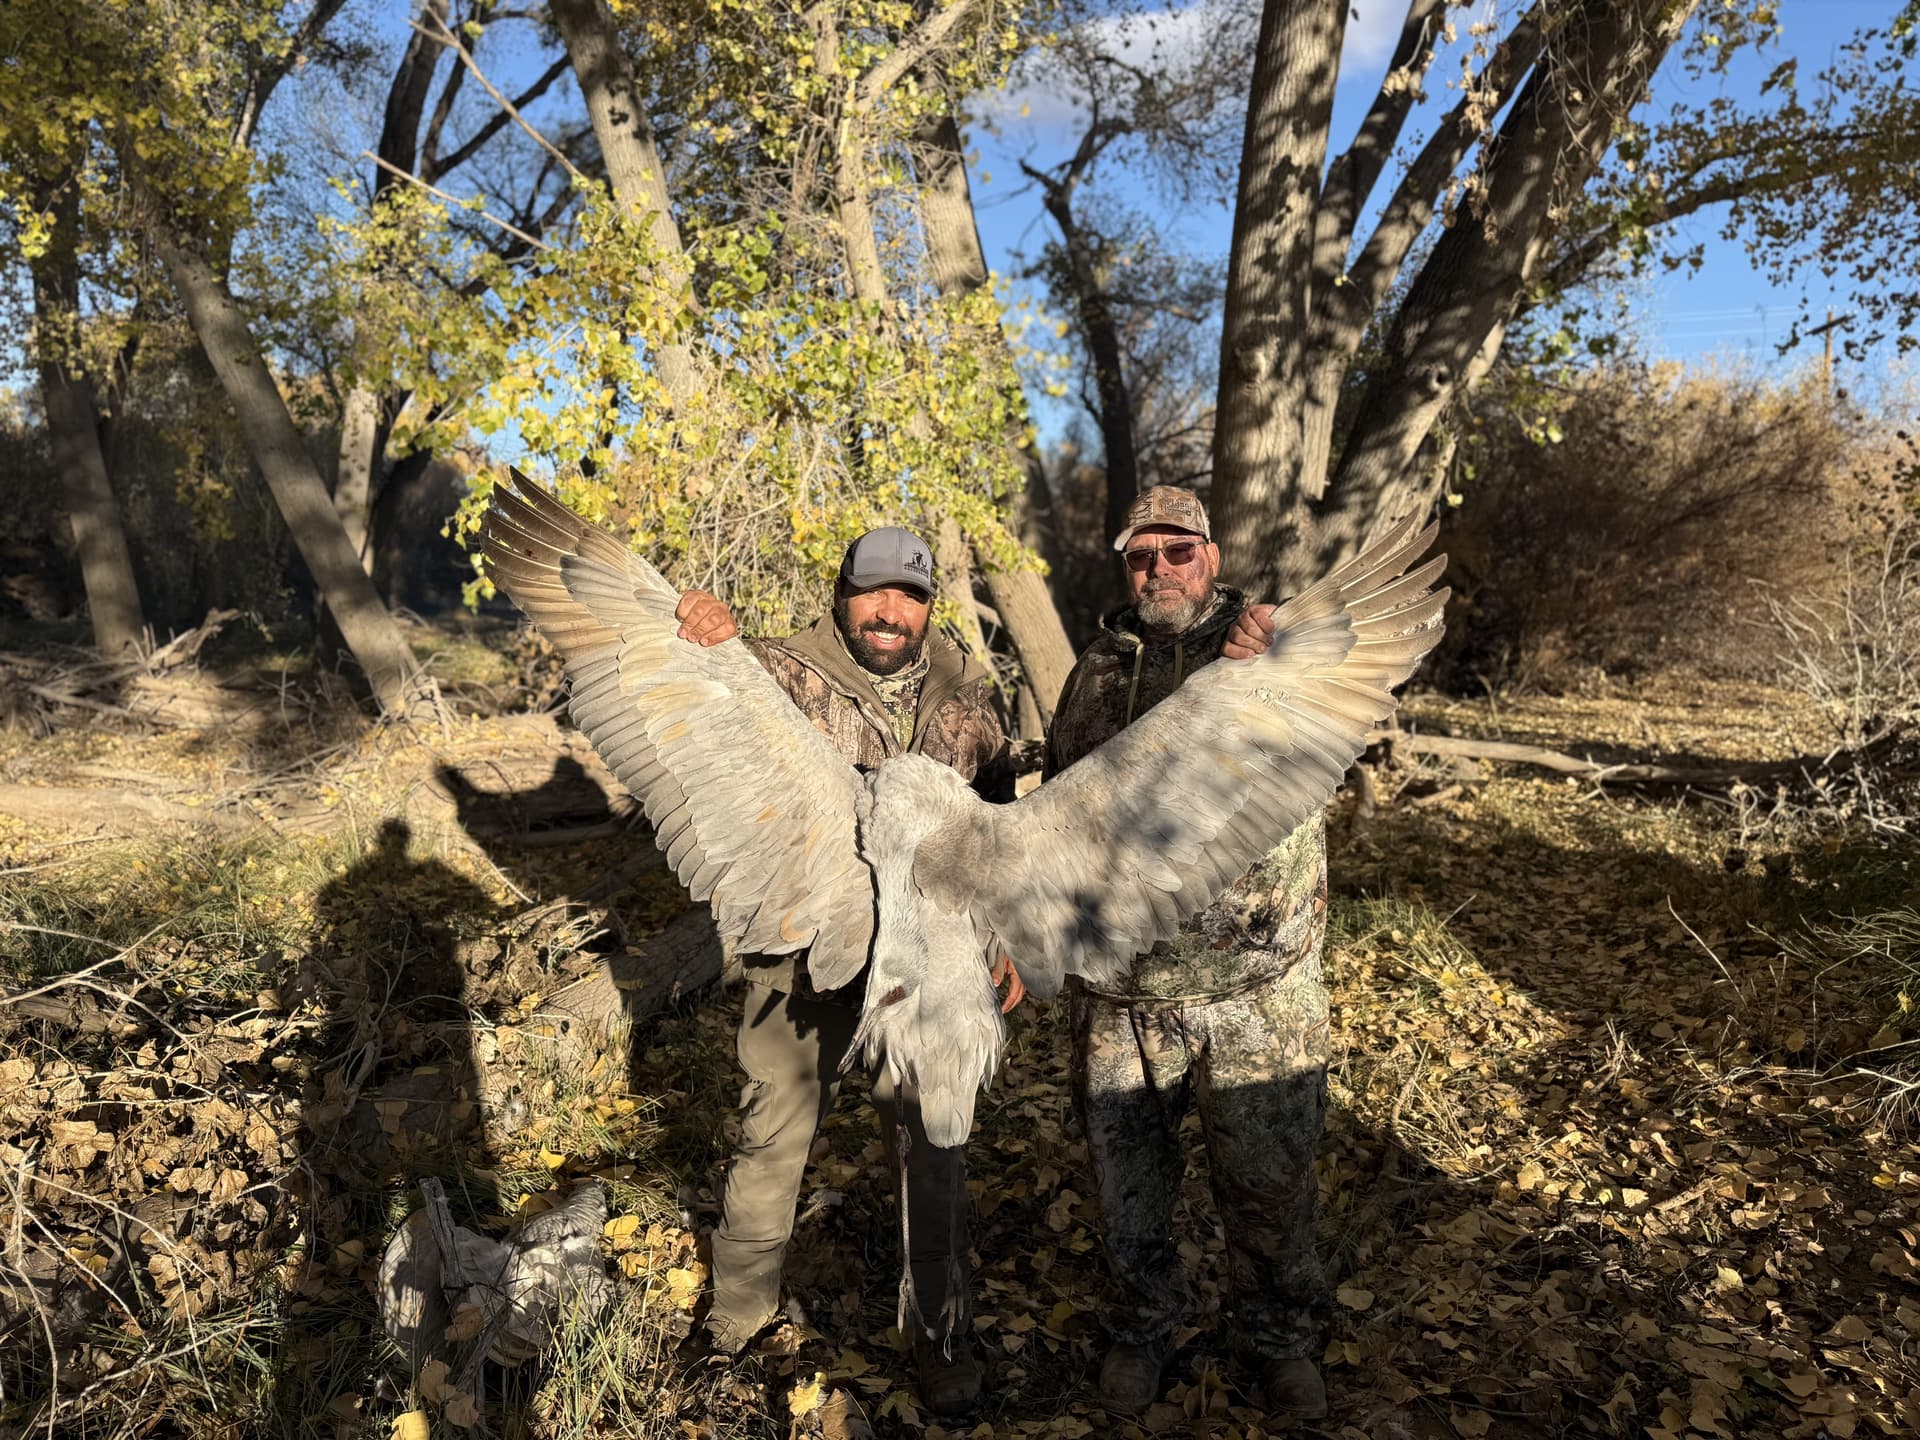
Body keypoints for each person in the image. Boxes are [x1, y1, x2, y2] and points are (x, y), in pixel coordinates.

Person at [673, 526, 1018, 1416]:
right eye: (872, 593)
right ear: (843, 594)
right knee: (774, 1135)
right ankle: (738, 1322)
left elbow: (996, 834)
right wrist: (698, 632)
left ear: (930, 605)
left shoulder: (972, 703)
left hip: (930, 963)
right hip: (805, 954)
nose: (889, 612)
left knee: (933, 1151)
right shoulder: (778, 670)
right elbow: (696, 706)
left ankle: (939, 1337)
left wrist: (1002, 938)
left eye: (908, 596)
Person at [1044, 485, 1332, 1419]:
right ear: (1124, 568)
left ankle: (1280, 1340)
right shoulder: (1094, 670)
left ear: (1210, 555)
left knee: (1268, 1187)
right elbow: (1060, 814)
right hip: (1123, 995)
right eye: (1141, 557)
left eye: (1178, 553)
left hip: (1256, 988)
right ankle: (1141, 1329)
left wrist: (1289, 642)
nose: (1159, 570)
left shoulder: (1261, 645)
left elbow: (1340, 690)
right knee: (1128, 1192)